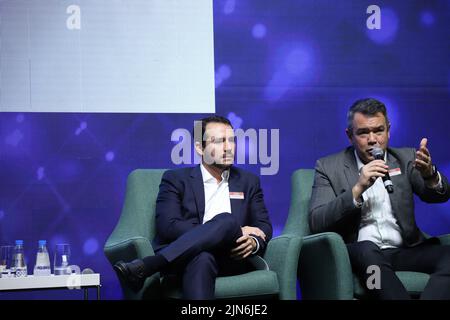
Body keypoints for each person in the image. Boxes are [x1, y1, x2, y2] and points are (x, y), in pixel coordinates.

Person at [114, 115, 272, 299]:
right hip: (187, 258)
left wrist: (254, 242)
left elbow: (264, 226)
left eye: (231, 140)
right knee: (216, 238)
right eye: (219, 141)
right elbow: (168, 226)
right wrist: (228, 231)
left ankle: (150, 265)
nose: (229, 147)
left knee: (227, 222)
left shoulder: (248, 182)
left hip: (232, 258)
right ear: (199, 147)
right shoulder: (176, 179)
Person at [309, 98, 450, 299]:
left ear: (388, 131)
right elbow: (316, 221)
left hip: (404, 250)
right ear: (350, 136)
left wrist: (429, 174)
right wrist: (357, 189)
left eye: (379, 130)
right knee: (369, 256)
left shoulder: (405, 158)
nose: (373, 139)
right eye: (363, 133)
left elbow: (440, 196)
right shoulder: (328, 167)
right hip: (361, 254)